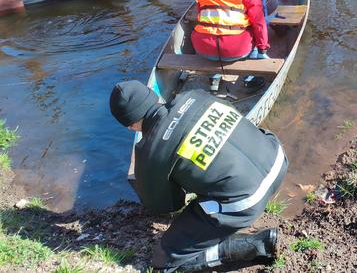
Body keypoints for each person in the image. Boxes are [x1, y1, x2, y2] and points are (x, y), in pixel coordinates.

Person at [109, 80, 287, 272]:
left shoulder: (149, 150)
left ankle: (259, 244)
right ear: (153, 96)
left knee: (165, 261)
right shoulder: (195, 96)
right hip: (276, 157)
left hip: (248, 199)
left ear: (130, 125)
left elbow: (166, 205)